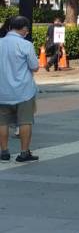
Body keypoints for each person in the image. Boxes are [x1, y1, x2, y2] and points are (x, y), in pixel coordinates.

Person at [0, 16, 40, 162]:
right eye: (26, 30)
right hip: (23, 92)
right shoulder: (26, 45)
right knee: (25, 121)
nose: (27, 32)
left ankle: (4, 152)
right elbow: (34, 67)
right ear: (23, 29)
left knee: (2, 122)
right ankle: (24, 153)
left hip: (2, 91)